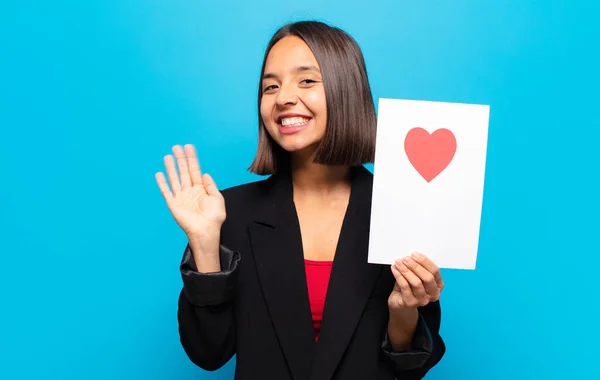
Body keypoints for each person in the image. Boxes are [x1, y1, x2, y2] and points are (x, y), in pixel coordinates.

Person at [155, 20, 446, 380]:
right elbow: (208, 353)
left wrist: (403, 312)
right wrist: (204, 245)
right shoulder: (228, 213)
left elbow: (409, 367)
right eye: (270, 86)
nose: (283, 98)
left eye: (306, 80)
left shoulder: (402, 207)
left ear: (345, 89)